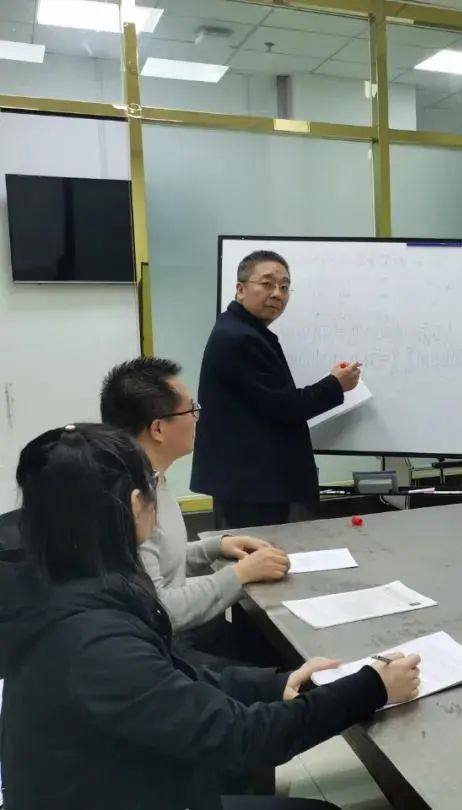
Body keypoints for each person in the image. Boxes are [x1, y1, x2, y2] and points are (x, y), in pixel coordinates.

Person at [0, 423, 421, 810]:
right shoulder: (95, 642)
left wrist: (275, 684)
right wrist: (371, 688)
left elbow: (171, 678)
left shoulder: (60, 587)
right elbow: (244, 738)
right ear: (134, 505)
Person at [101, 357, 290, 667]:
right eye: (191, 410)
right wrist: (242, 574)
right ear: (158, 428)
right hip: (160, 647)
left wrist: (214, 547)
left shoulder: (151, 476)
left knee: (267, 647)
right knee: (278, 671)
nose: (196, 418)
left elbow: (161, 561)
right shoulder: (131, 498)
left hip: (175, 631)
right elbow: (161, 609)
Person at [191, 250, 362, 530]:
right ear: (240, 289)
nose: (277, 294)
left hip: (249, 481)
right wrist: (336, 384)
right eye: (267, 284)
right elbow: (286, 406)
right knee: (260, 552)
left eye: (284, 286)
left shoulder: (242, 330)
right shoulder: (240, 339)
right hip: (251, 486)